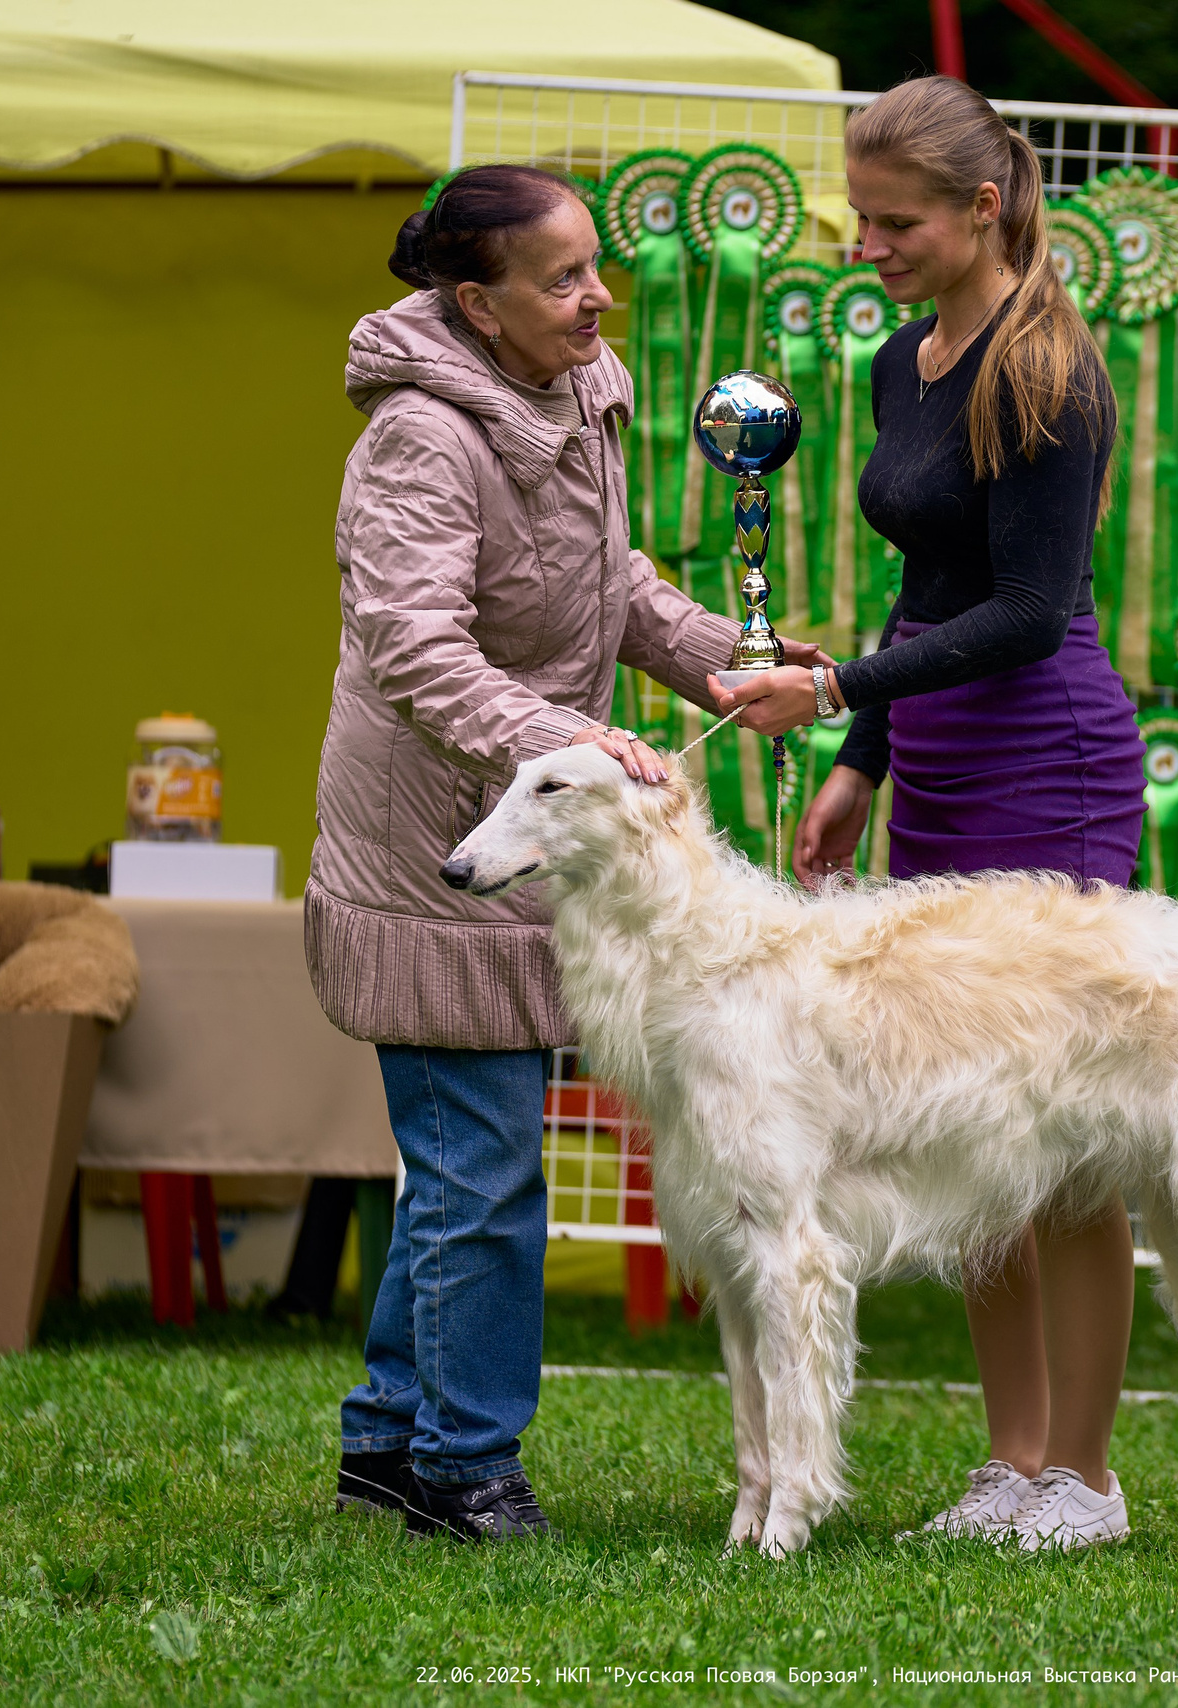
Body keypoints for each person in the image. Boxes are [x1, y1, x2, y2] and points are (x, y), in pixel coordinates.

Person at [307, 164, 832, 1540]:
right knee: (483, 1167)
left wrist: (734, 660)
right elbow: (415, 650)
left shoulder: (567, 391)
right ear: (477, 305)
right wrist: (577, 748)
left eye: (595, 266)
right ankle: (465, 1471)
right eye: (563, 280)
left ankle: (387, 1444)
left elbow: (616, 586)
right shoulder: (421, 438)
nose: (601, 296)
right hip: (440, 842)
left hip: (535, 818)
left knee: (465, 1158)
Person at [713, 76, 1146, 1551]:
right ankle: (1009, 1462)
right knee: (970, 1133)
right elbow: (929, 592)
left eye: (894, 221)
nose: (867, 242)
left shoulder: (1052, 375)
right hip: (947, 758)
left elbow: (1029, 612)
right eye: (858, 215)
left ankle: (1084, 1477)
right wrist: (865, 756)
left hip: (1051, 759)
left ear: (981, 207)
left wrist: (833, 688)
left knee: (1071, 1138)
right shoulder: (908, 359)